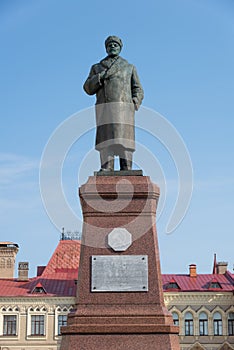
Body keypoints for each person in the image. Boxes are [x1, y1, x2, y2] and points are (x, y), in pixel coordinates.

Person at [83, 35, 144, 171]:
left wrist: (134, 103)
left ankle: (127, 168)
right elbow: (88, 88)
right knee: (106, 140)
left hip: (124, 110)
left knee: (125, 140)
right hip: (105, 109)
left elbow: (138, 89)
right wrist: (100, 77)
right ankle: (106, 167)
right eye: (110, 45)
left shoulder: (129, 67)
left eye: (115, 45)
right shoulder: (97, 68)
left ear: (120, 48)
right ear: (106, 48)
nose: (112, 47)